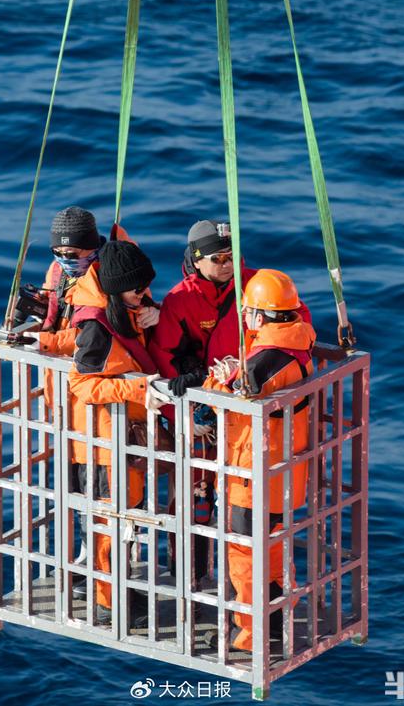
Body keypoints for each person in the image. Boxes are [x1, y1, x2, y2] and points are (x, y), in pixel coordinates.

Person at [203, 268, 316, 652]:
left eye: (249, 311)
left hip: (252, 478)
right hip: (282, 475)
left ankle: (252, 636)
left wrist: (222, 377)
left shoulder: (265, 360)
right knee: (273, 551)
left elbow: (228, 397)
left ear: (260, 316)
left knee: (244, 558)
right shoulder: (297, 343)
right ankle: (280, 619)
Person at [67, 240, 165, 628]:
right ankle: (109, 600)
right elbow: (82, 384)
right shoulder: (96, 328)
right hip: (102, 447)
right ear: (114, 288)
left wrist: (153, 313)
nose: (143, 294)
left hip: (123, 440)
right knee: (108, 525)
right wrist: (139, 389)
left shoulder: (125, 310)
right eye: (136, 288)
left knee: (120, 521)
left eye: (146, 287)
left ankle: (114, 587)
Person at [149, 219, 258, 395]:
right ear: (197, 261)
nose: (228, 264)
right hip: (206, 394)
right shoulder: (179, 301)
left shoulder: (258, 284)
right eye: (218, 259)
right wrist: (179, 405)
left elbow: (294, 323)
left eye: (232, 256)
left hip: (254, 388)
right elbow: (164, 354)